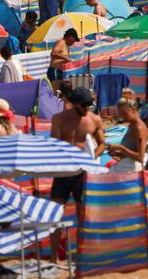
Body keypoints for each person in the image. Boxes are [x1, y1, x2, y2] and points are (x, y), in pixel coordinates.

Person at [49, 87, 106, 260]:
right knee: (55, 215)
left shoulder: (94, 120)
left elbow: (102, 144)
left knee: (83, 215)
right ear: (75, 104)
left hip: (82, 173)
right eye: (84, 106)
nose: (87, 109)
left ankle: (82, 254)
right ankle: (53, 256)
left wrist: (92, 158)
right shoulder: (59, 119)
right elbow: (55, 144)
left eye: (89, 105)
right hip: (63, 172)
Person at [106, 98, 148, 169]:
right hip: (127, 167)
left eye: (125, 114)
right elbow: (132, 152)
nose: (122, 117)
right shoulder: (132, 125)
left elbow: (140, 157)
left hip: (133, 171)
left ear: (133, 110)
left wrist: (120, 148)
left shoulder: (139, 128)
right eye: (120, 115)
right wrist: (118, 154)